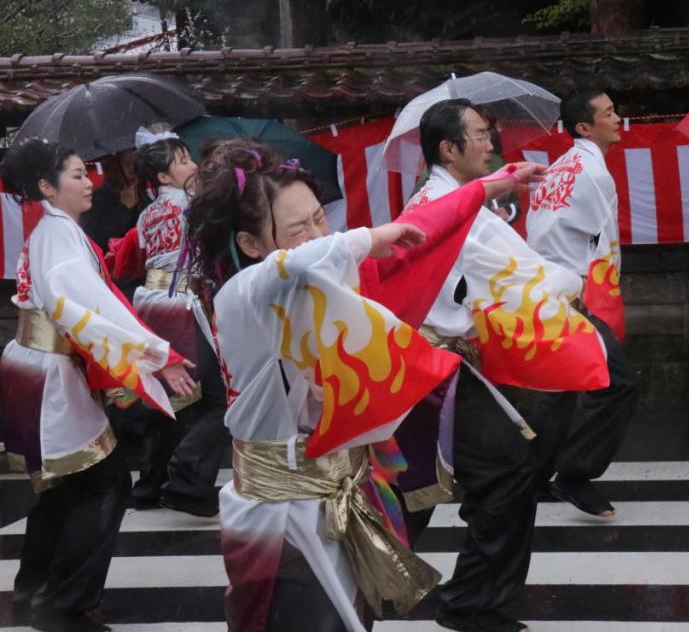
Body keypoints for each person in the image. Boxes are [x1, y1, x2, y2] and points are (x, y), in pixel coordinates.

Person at [186, 139, 534, 632]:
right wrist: (371, 236)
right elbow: (300, 261)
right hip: (279, 511)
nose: (316, 234)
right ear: (250, 244)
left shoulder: (319, 285)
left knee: (350, 618)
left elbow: (418, 233)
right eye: (297, 229)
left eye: (319, 219)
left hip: (339, 490)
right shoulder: (243, 295)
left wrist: (485, 188)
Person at [0, 138, 195, 632]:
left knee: (65, 487)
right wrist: (157, 354)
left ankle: (35, 589)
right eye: (77, 175)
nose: (90, 182)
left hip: (36, 365)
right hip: (49, 373)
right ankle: (64, 605)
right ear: (47, 187)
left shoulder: (54, 230)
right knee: (103, 484)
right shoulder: (59, 237)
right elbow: (93, 311)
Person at [409, 99, 582, 632]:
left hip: (438, 361)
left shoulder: (443, 198)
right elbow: (525, 273)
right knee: (505, 472)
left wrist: (502, 183)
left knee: (426, 487)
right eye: (481, 135)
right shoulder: (452, 207)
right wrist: (571, 281)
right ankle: (469, 603)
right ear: (449, 149)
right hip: (438, 365)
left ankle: (465, 600)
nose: (491, 144)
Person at [526, 87, 639, 518]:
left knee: (560, 390)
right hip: (569, 294)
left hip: (544, 287)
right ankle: (573, 473)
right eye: (608, 113)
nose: (617, 118)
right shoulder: (594, 173)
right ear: (584, 127)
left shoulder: (562, 166)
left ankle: (534, 477)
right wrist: (605, 300)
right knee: (619, 383)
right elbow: (604, 247)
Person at [126, 127, 229, 516]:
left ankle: (150, 486)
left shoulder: (147, 215)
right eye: (184, 161)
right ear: (163, 176)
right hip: (180, 303)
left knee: (168, 398)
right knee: (220, 398)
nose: (194, 165)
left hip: (150, 306)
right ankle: (186, 480)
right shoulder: (194, 205)